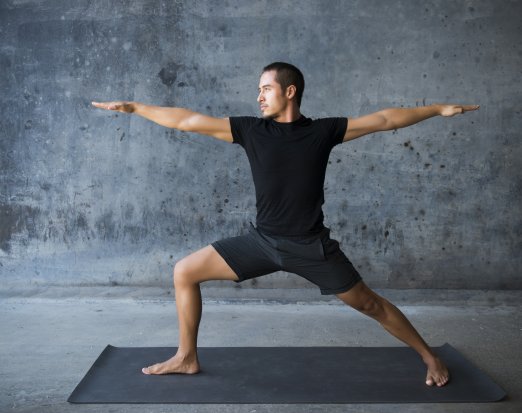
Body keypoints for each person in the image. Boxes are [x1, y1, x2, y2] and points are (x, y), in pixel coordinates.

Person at [92, 62, 479, 387]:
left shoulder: (322, 132)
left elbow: (385, 120)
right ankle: (186, 357)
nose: (258, 96)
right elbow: (188, 121)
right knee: (184, 272)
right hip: (261, 242)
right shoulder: (251, 130)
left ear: (290, 92)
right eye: (258, 90)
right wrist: (135, 107)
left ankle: (429, 357)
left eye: (265, 89)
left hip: (310, 247)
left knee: (371, 304)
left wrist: (438, 108)